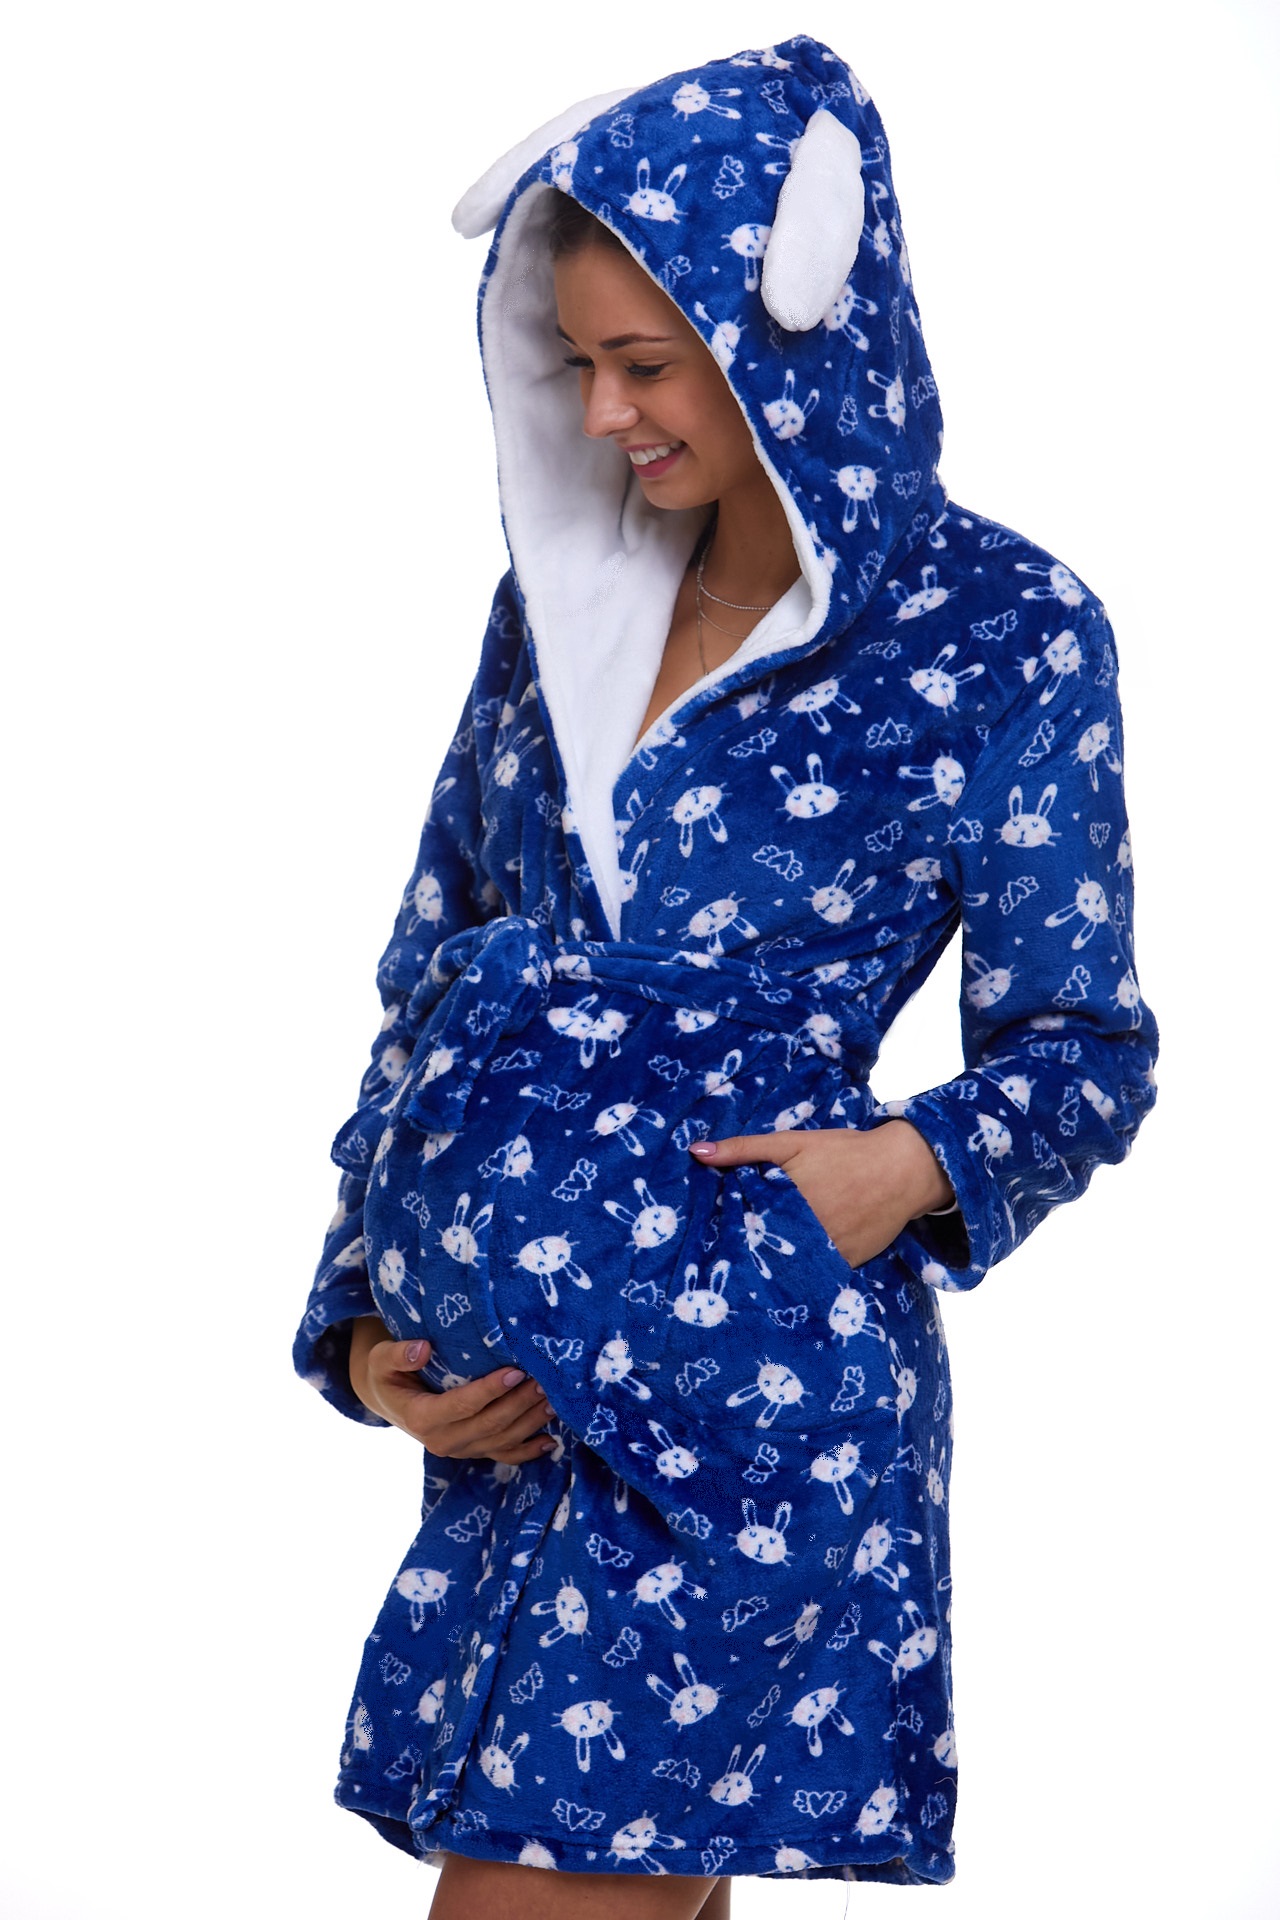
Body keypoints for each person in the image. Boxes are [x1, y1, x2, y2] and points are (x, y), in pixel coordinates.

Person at [293, 35, 1158, 1916]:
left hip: (753, 1410)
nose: (607, 413)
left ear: (792, 339)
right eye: (575, 364)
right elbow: (431, 973)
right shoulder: (560, 611)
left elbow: (1081, 1047)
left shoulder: (1006, 635)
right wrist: (364, 1328)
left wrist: (890, 1174)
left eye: (649, 361)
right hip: (518, 1441)